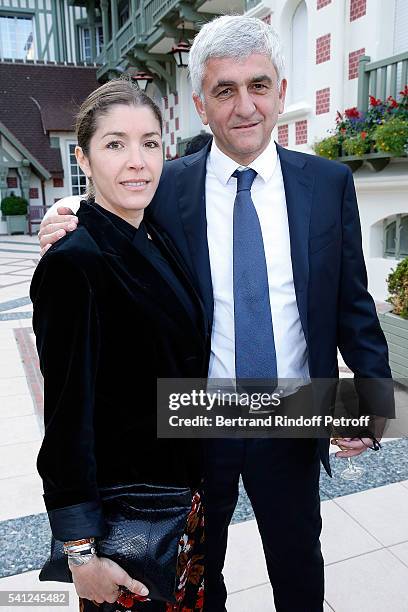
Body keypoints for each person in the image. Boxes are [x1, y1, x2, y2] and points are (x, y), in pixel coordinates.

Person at [38, 16, 393, 612]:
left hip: (294, 414)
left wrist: (374, 402)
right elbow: (114, 209)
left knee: (299, 561)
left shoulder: (329, 184)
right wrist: (68, 210)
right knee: (201, 570)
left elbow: (353, 304)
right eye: (225, 90)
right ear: (201, 105)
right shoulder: (168, 186)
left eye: (259, 85)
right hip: (196, 421)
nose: (245, 105)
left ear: (281, 90)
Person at [31, 79, 206, 612]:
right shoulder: (73, 263)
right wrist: (80, 554)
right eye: (116, 144)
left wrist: (328, 411)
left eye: (150, 143)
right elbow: (65, 418)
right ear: (83, 158)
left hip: (180, 505)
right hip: (127, 520)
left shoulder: (153, 232)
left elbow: (169, 381)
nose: (137, 161)